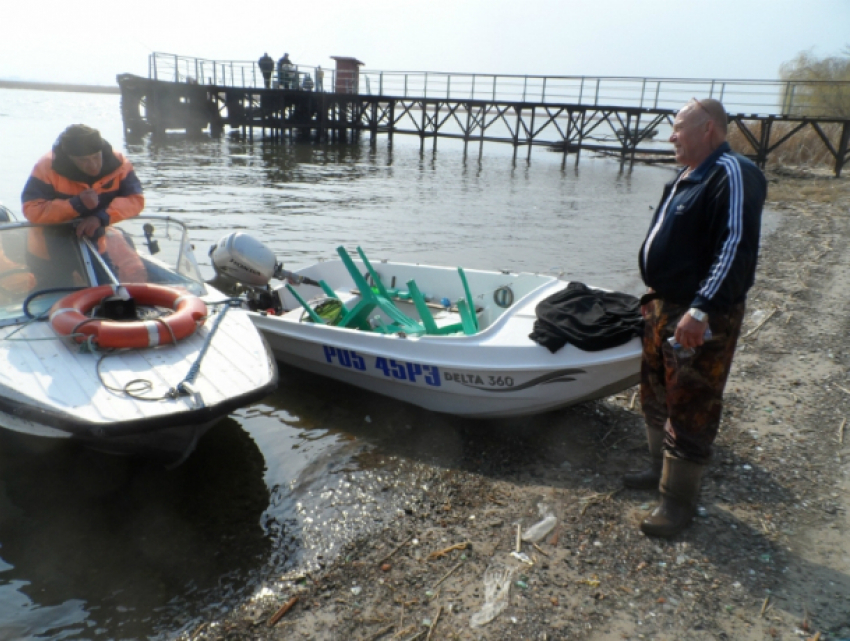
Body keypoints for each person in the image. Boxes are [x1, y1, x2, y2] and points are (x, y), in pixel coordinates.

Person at [628, 98, 766, 538]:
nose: (670, 136)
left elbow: (736, 245)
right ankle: (657, 472)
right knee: (654, 391)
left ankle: (677, 503)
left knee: (692, 402)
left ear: (709, 129)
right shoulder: (684, 178)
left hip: (697, 314)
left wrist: (701, 307)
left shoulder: (733, 173)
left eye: (678, 128)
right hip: (662, 305)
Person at [21, 124, 146, 284]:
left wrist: (101, 217)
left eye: (96, 157)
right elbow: (32, 209)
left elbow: (135, 200)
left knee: (109, 293)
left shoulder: (119, 164)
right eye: (84, 160)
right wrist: (76, 204)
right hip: (49, 251)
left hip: (94, 247)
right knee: (54, 300)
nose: (93, 165)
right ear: (70, 158)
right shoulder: (46, 167)